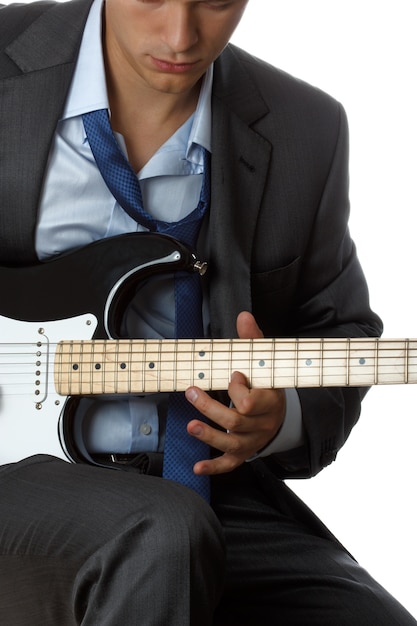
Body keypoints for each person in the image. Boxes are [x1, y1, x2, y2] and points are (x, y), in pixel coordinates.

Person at [0, 0, 414, 624]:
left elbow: (341, 331)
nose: (181, 35)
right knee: (162, 535)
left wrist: (278, 418)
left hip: (206, 490)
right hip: (23, 488)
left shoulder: (307, 127)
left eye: (216, 1)